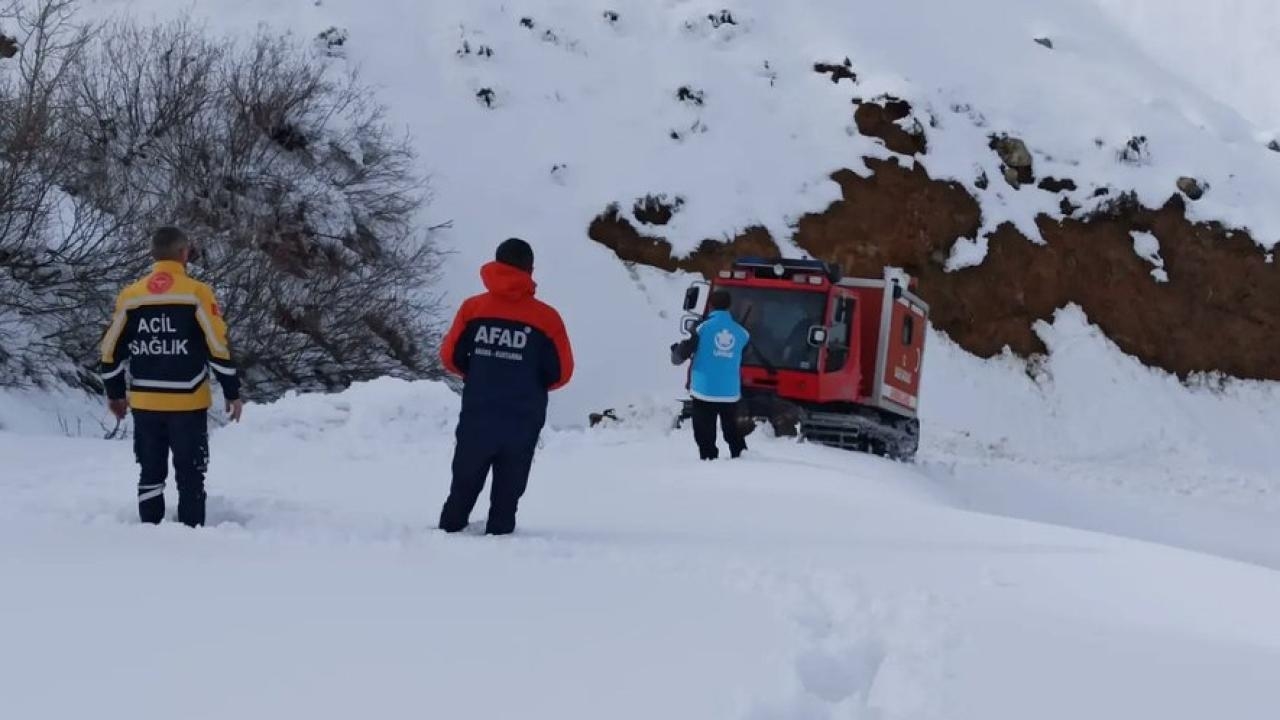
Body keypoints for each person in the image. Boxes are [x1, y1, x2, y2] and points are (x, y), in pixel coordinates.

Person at [98, 227, 243, 528]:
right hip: (188, 403)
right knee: (191, 474)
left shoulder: (131, 295)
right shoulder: (196, 293)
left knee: (150, 473)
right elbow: (217, 346)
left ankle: (149, 532)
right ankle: (191, 534)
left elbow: (109, 351)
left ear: (152, 254)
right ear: (184, 253)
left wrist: (115, 394)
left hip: (145, 402)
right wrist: (232, 390)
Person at [438, 238, 574, 535]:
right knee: (508, 494)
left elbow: (450, 357)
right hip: (523, 418)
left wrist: (479, 373)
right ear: (530, 270)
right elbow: (562, 373)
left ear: (496, 264)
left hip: (478, 412)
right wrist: (529, 382)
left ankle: (447, 534)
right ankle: (500, 542)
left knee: (463, 485)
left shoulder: (473, 309)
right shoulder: (547, 318)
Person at [673, 289, 749, 460]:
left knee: (704, 433)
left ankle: (709, 461)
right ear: (729, 306)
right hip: (730, 392)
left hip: (704, 390)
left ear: (710, 305)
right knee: (733, 431)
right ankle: (742, 458)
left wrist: (676, 351)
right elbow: (742, 355)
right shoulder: (742, 333)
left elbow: (680, 356)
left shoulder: (701, 328)